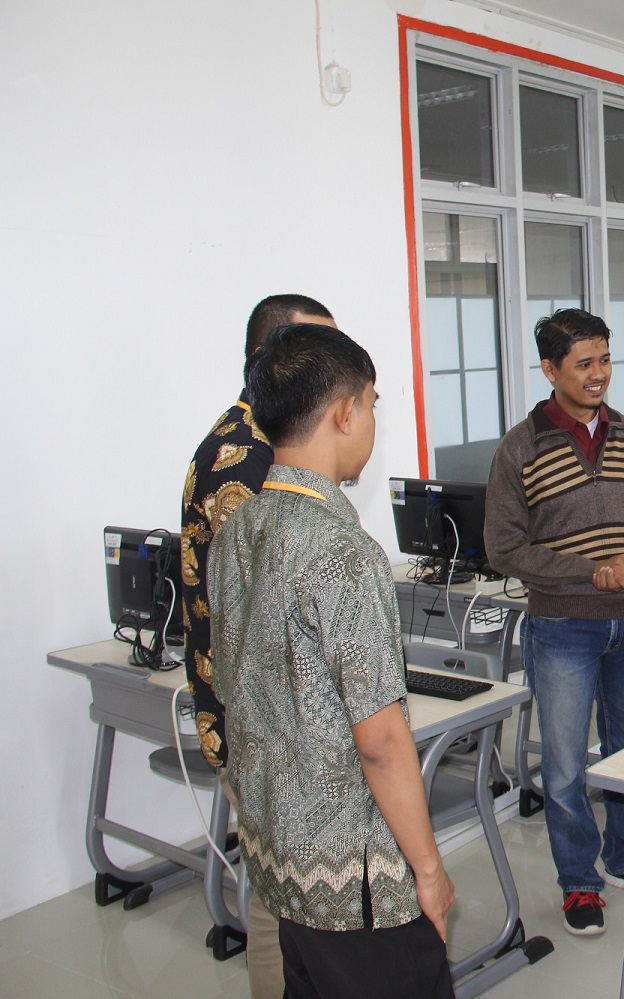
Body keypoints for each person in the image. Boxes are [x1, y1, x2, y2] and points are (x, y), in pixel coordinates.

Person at [209, 323, 455, 999]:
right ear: (345, 412)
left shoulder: (236, 531)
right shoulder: (343, 553)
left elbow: (233, 681)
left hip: (281, 861)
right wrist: (428, 869)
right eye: (373, 403)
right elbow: (379, 741)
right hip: (358, 878)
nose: (373, 419)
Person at [484, 308, 624, 936]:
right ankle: (579, 882)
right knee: (566, 764)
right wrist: (589, 572)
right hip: (563, 623)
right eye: (584, 364)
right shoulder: (520, 446)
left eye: (605, 361)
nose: (599, 375)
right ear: (550, 369)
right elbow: (504, 547)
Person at [179, 293, 335, 999]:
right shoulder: (244, 460)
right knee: (278, 899)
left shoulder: (257, 437)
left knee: (288, 890)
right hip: (261, 722)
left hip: (262, 712)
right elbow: (263, 614)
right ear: (276, 358)